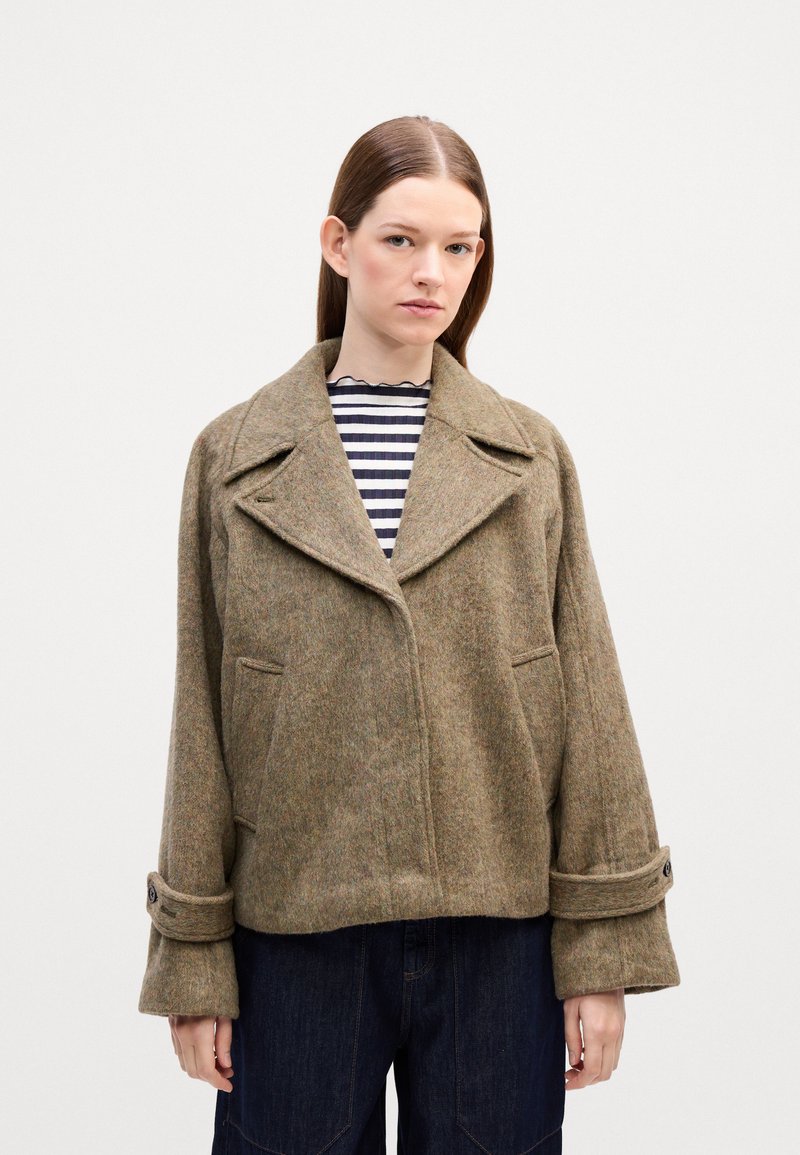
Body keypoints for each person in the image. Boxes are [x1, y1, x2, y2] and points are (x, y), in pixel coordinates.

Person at [138, 115, 680, 1154]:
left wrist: (602, 951)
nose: (434, 272)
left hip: (497, 933)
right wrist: (193, 954)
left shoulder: (526, 457)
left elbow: (589, 703)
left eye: (459, 246)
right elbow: (200, 718)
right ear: (338, 244)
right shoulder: (235, 458)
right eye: (401, 239)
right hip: (294, 933)